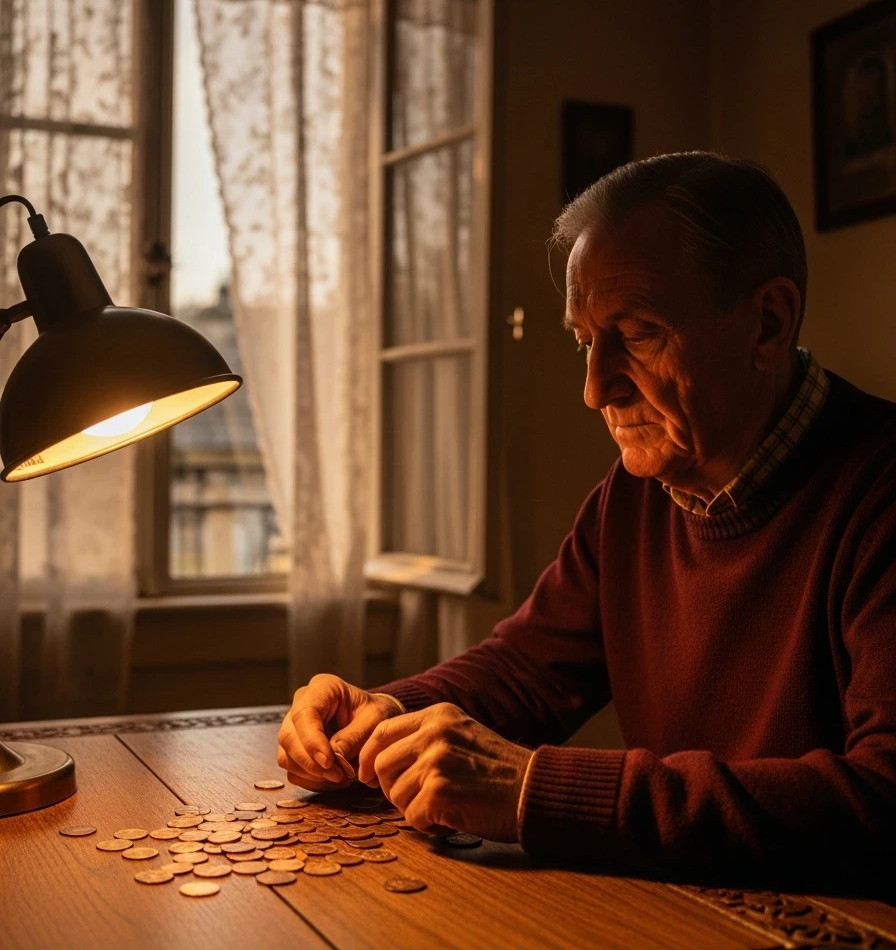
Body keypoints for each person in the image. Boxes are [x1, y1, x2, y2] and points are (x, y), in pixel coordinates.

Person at [278, 151, 896, 892]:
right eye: (584, 341)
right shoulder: (635, 495)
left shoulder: (879, 493)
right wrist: (382, 715)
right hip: (690, 916)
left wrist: (536, 791)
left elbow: (883, 803)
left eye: (635, 333)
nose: (594, 388)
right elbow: (526, 670)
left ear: (767, 323)